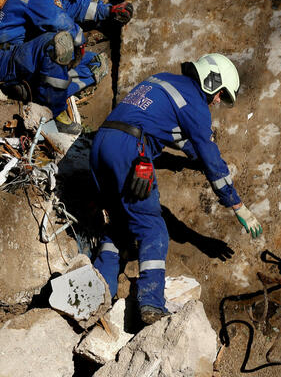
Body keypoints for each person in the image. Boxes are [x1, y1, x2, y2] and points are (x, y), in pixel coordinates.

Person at [90, 53, 263, 325]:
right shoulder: (195, 103)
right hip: (129, 150)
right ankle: (151, 305)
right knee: (153, 228)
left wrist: (193, 163)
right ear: (210, 81)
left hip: (101, 146)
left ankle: (96, 296)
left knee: (121, 224)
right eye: (220, 93)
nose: (218, 100)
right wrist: (237, 205)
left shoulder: (164, 82)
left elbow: (174, 138)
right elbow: (209, 154)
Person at [0, 0, 133, 134]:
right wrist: (80, 42)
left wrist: (110, 11)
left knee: (97, 63)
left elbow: (77, 6)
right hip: (7, 58)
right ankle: (51, 112)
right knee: (59, 44)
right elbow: (61, 23)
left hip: (26, 56)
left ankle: (32, 91)